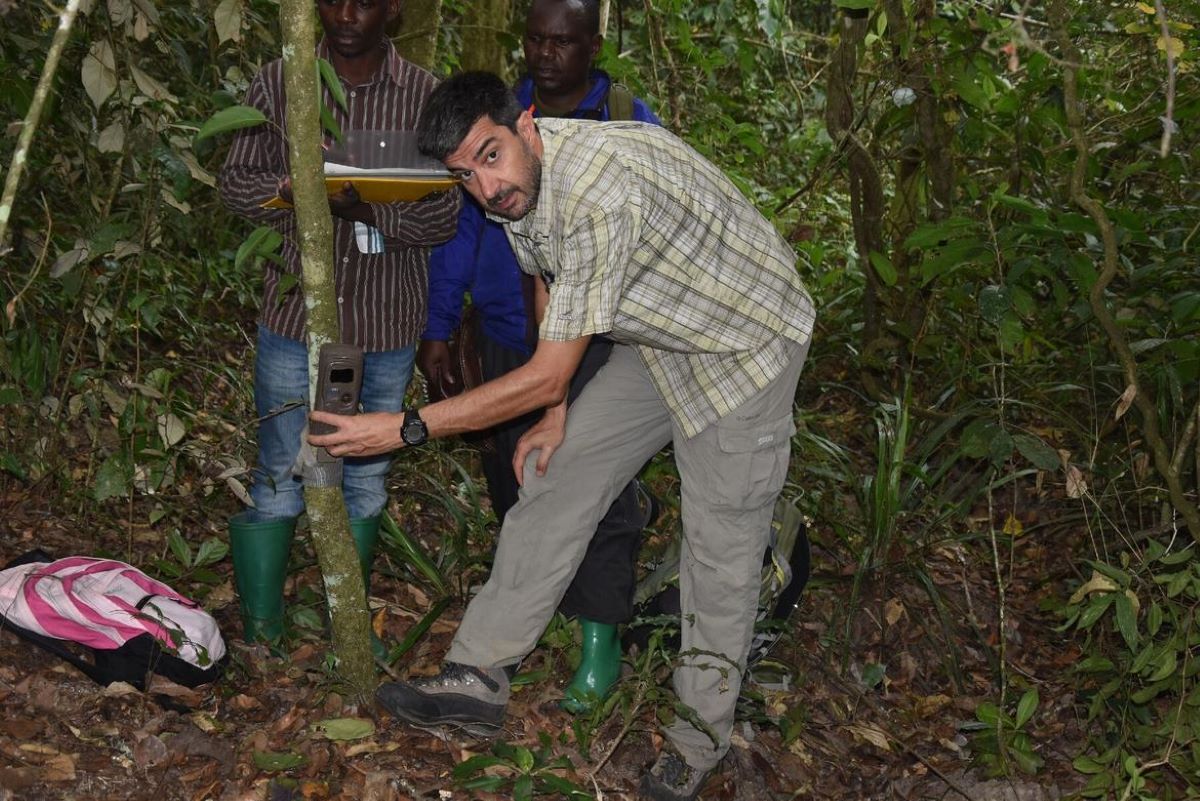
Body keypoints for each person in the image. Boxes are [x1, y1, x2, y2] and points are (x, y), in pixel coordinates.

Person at [310, 72, 815, 801]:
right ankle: (477, 674)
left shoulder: (599, 192)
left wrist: (404, 426)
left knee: (721, 547)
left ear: (527, 125)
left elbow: (547, 372)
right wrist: (556, 416)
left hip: (744, 343)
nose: (486, 186)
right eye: (464, 174)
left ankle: (696, 742)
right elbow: (544, 271)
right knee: (557, 468)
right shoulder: (522, 185)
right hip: (659, 331)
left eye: (490, 155)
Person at [417, 0, 661, 713]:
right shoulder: (491, 120)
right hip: (504, 327)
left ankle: (597, 641)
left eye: (563, 42)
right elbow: (464, 231)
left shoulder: (625, 118)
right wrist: (440, 323)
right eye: (536, 40)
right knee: (515, 473)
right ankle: (527, 621)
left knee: (596, 483)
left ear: (592, 45)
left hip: (595, 337)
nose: (547, 54)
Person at [218, 0, 460, 643]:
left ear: (394, 9)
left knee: (364, 475)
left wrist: (370, 213)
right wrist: (299, 194)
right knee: (279, 472)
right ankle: (264, 632)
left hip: (385, 324)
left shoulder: (424, 96)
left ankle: (345, 628)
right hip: (295, 318)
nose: (347, 12)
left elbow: (447, 215)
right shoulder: (281, 80)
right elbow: (236, 184)